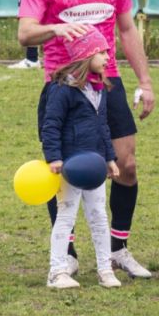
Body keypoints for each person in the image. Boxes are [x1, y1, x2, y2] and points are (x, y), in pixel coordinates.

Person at [18, 0, 156, 280]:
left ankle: (117, 248)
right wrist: (56, 30)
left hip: (108, 81)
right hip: (64, 85)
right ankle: (70, 253)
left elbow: (127, 30)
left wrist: (144, 82)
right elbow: (25, 33)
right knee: (65, 169)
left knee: (126, 164)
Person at [40, 26, 122, 289]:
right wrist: (54, 157)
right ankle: (57, 271)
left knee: (99, 215)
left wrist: (109, 158)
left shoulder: (100, 89)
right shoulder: (62, 89)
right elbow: (51, 124)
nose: (108, 57)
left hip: (95, 165)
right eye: (102, 52)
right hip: (70, 166)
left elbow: (104, 127)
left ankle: (105, 269)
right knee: (66, 216)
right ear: (87, 55)